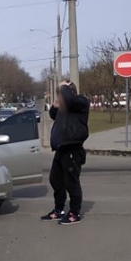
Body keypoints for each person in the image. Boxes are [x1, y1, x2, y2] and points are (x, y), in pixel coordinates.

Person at [42, 80, 90, 225]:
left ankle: (74, 213)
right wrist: (55, 107)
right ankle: (59, 209)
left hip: (73, 148)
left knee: (71, 182)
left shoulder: (81, 102)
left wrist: (63, 87)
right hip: (61, 148)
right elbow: (52, 115)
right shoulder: (66, 106)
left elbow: (69, 99)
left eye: (62, 93)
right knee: (55, 180)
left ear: (70, 92)